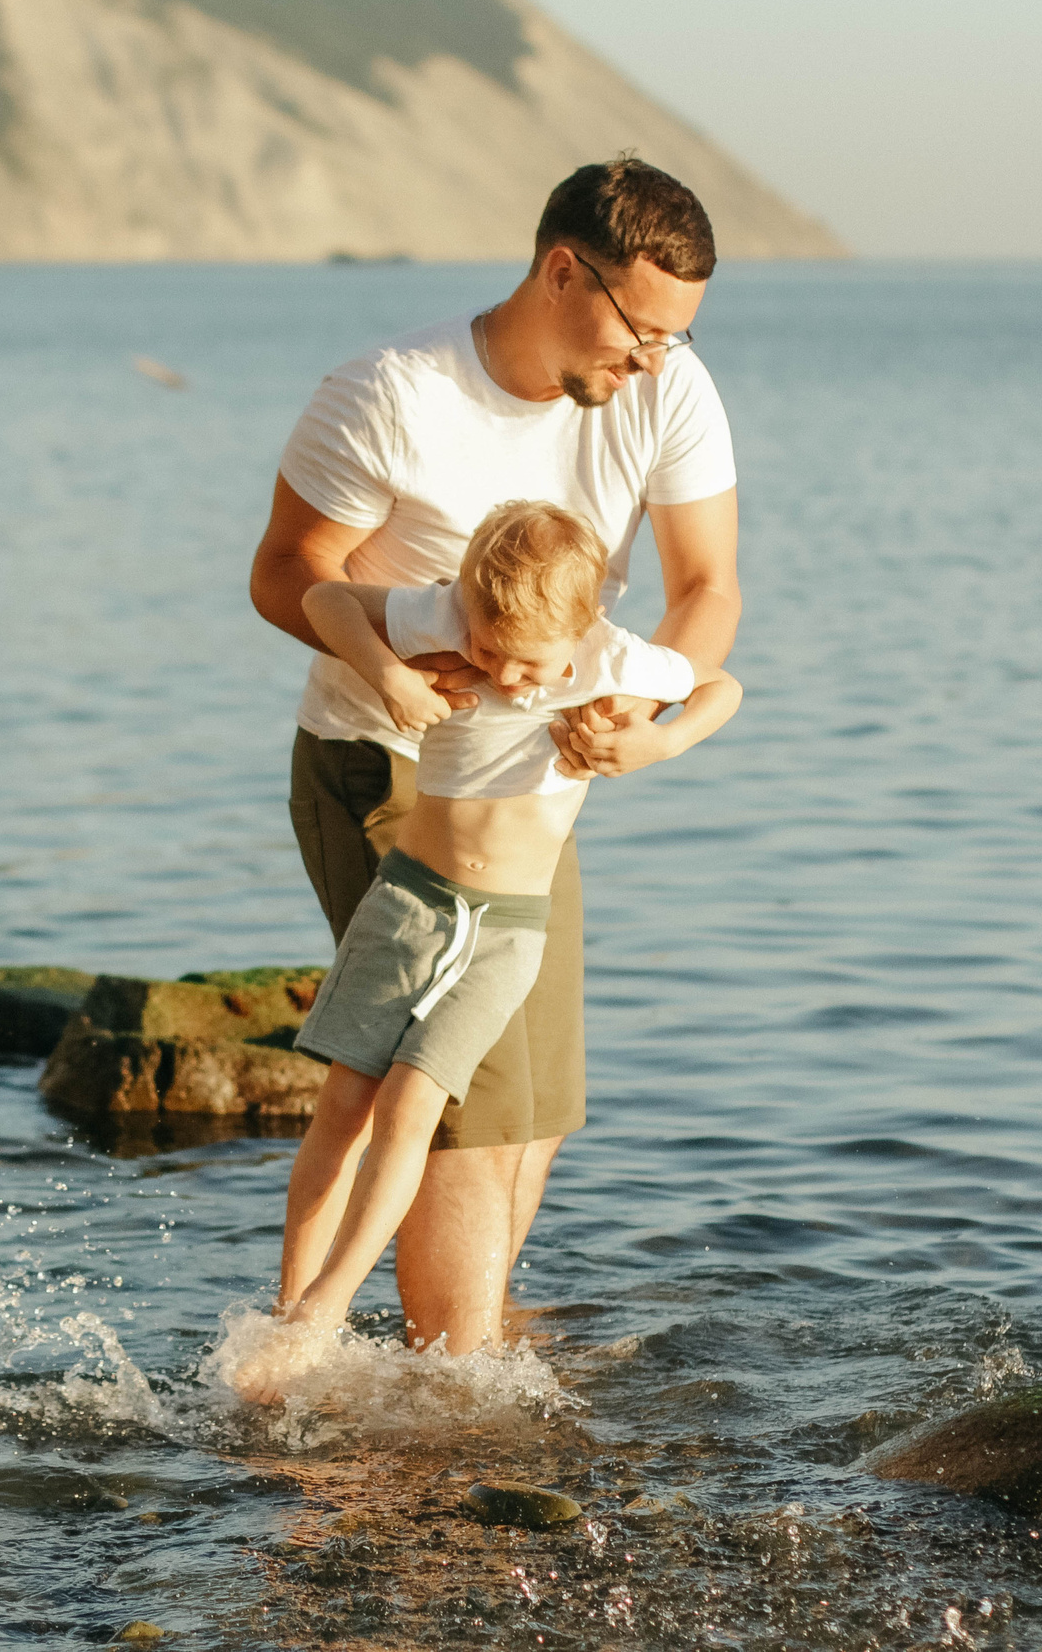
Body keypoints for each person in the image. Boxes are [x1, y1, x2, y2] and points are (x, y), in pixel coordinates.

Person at [248, 157, 742, 1354]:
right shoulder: (392, 392)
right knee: (457, 1107)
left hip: (547, 777)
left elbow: (707, 593)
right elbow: (284, 576)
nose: (654, 361)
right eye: (641, 330)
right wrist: (392, 673)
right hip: (385, 764)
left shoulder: (664, 388)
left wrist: (641, 728)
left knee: (533, 1110)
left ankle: (450, 1343)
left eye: (679, 338)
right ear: (562, 272)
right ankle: (445, 1396)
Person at [235, 503, 739, 1400]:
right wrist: (389, 675)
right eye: (487, 644)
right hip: (407, 904)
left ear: (583, 631)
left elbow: (723, 688)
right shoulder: (444, 613)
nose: (505, 674)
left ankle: (327, 1307)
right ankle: (293, 1317)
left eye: (530, 662)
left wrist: (656, 738)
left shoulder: (616, 656)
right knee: (343, 1103)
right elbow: (326, 600)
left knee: (413, 1103)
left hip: (505, 928)